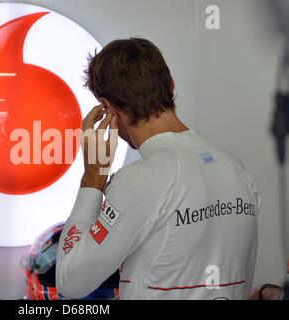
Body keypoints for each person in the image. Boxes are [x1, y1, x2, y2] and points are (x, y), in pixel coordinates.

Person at [56, 38, 261, 300]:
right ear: (171, 85)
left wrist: (93, 179)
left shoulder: (139, 180)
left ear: (108, 109)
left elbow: (70, 280)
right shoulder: (237, 170)